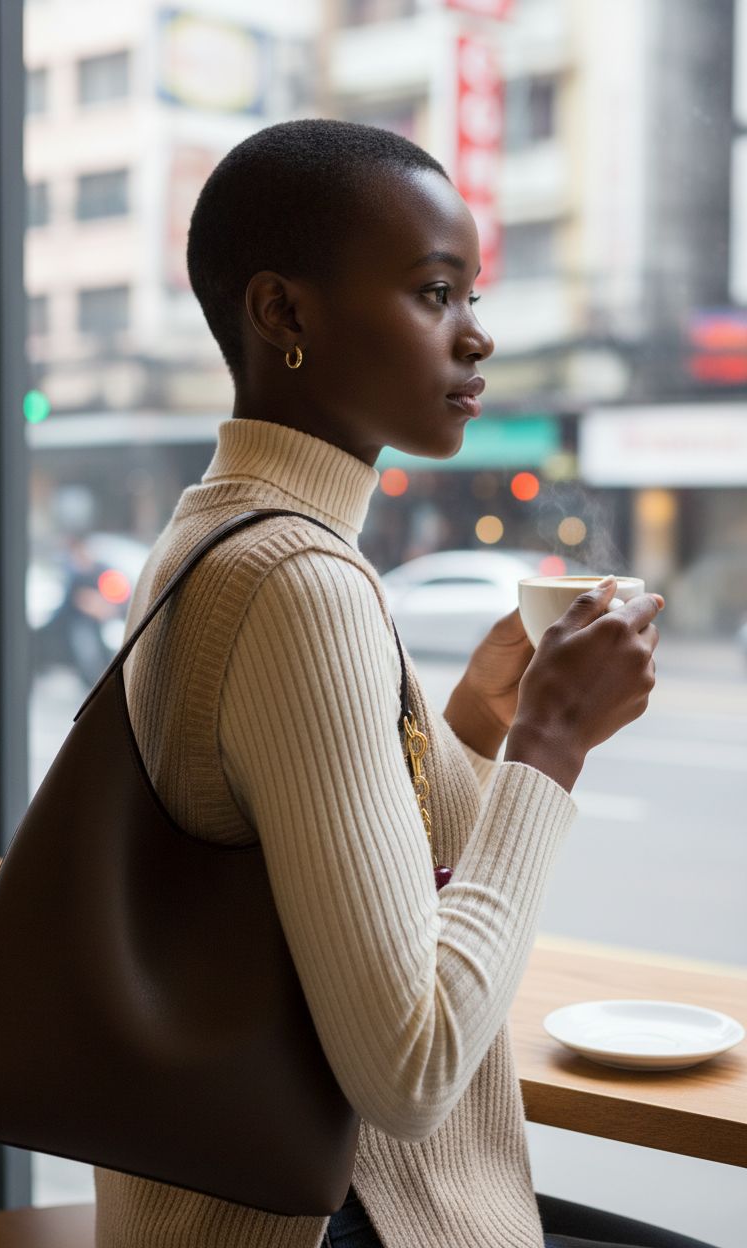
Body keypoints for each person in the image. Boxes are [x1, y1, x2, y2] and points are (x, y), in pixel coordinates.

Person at [92, 119, 715, 1248]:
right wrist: (551, 746)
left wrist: (477, 721)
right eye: (435, 293)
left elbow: (347, 875)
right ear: (283, 315)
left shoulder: (214, 530)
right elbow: (412, 1072)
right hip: (334, 1215)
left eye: (472, 294)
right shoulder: (301, 581)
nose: (477, 335)